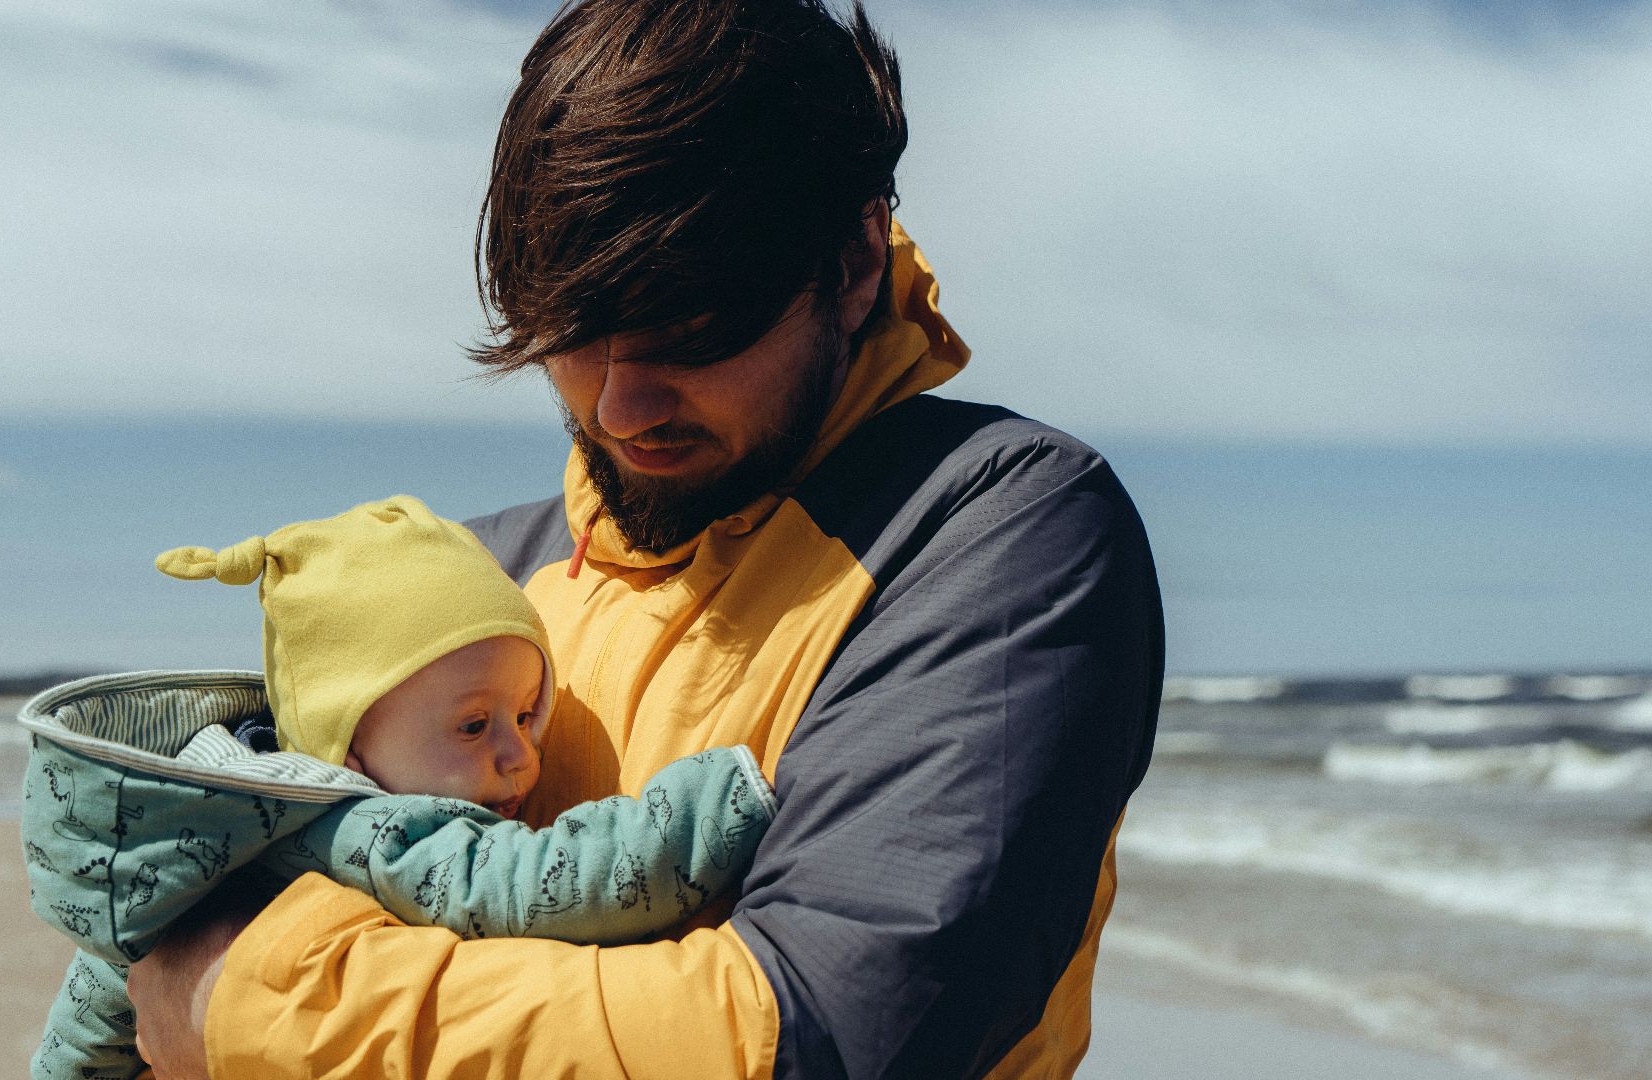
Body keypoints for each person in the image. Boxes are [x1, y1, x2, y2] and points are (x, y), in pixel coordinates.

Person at [129, 1, 1164, 1077]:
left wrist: (253, 1002)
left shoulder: (993, 531)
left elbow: (828, 1031)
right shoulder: (476, 581)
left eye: (691, 334)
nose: (620, 409)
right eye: (570, 339)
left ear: (855, 263)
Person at [20, 497, 774, 1078]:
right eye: (474, 727)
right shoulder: (374, 830)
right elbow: (539, 884)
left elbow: (92, 1004)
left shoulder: (212, 818)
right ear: (347, 747)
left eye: (525, 713)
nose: (521, 757)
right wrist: (720, 800)